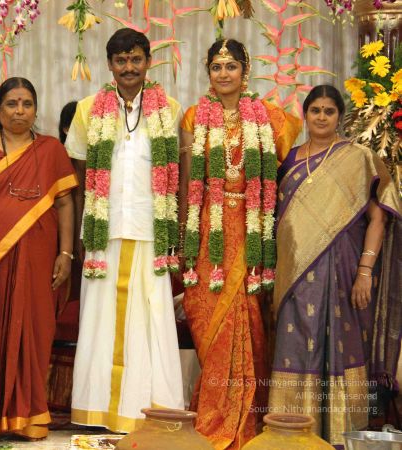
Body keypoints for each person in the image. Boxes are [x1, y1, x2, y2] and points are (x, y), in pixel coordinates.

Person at [179, 38, 301, 449]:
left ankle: (246, 419)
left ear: (245, 71)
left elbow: (288, 172)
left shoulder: (271, 118)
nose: (224, 73)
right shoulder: (194, 117)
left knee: (249, 322)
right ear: (208, 72)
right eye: (216, 66)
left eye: (231, 66)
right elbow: (186, 183)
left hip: (252, 232)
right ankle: (213, 415)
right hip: (207, 233)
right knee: (206, 320)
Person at [268, 85, 401, 448]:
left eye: (329, 111)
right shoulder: (289, 160)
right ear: (306, 115)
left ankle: (341, 435)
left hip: (342, 272)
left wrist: (365, 272)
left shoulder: (357, 158)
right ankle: (290, 434)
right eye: (315, 110)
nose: (322, 117)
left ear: (339, 117)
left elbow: (379, 217)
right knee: (295, 344)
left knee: (341, 344)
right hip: (293, 276)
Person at [67, 28, 184, 433]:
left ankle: (152, 409)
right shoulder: (87, 110)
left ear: (149, 62)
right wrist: (81, 236)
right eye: (121, 60)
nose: (129, 67)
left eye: (136, 59)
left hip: (152, 230)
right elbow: (79, 176)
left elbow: (178, 175)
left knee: (152, 319)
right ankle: (96, 409)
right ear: (110, 65)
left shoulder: (171, 109)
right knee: (99, 320)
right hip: (104, 233)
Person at [0, 77, 77, 440]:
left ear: (36, 110)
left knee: (34, 330)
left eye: (26, 104)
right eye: (11, 103)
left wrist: (66, 253)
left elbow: (65, 203)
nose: (19, 111)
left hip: (39, 257)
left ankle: (27, 417)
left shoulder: (51, 150)